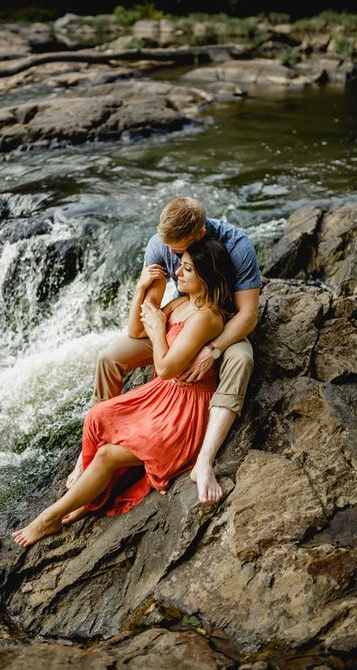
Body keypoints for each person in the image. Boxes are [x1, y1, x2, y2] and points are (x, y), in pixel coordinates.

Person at [12, 237, 235, 547]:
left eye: (186, 270)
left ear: (207, 278)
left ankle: (50, 518)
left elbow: (167, 366)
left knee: (106, 454)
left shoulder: (207, 317)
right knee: (97, 416)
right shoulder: (182, 302)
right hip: (163, 395)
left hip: (183, 412)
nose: (178, 275)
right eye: (180, 268)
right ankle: (89, 495)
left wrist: (159, 330)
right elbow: (135, 332)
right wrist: (140, 290)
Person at [66, 197, 261, 504]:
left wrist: (213, 349)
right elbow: (141, 325)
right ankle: (89, 448)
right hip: (181, 323)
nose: (169, 252)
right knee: (109, 357)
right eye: (166, 244)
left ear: (197, 235)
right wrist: (139, 289)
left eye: (175, 247)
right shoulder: (161, 244)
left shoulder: (236, 246)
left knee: (241, 359)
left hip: (223, 327)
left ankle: (204, 461)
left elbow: (247, 314)